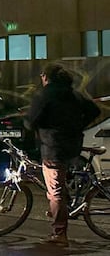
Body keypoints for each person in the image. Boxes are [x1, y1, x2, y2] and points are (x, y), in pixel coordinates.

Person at [24, 64, 100, 246]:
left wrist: (34, 126)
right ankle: (63, 209)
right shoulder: (73, 93)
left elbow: (31, 120)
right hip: (73, 145)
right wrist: (78, 125)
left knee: (55, 190)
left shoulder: (45, 95)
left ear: (45, 77)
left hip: (53, 146)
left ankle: (59, 232)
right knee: (61, 182)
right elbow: (94, 111)